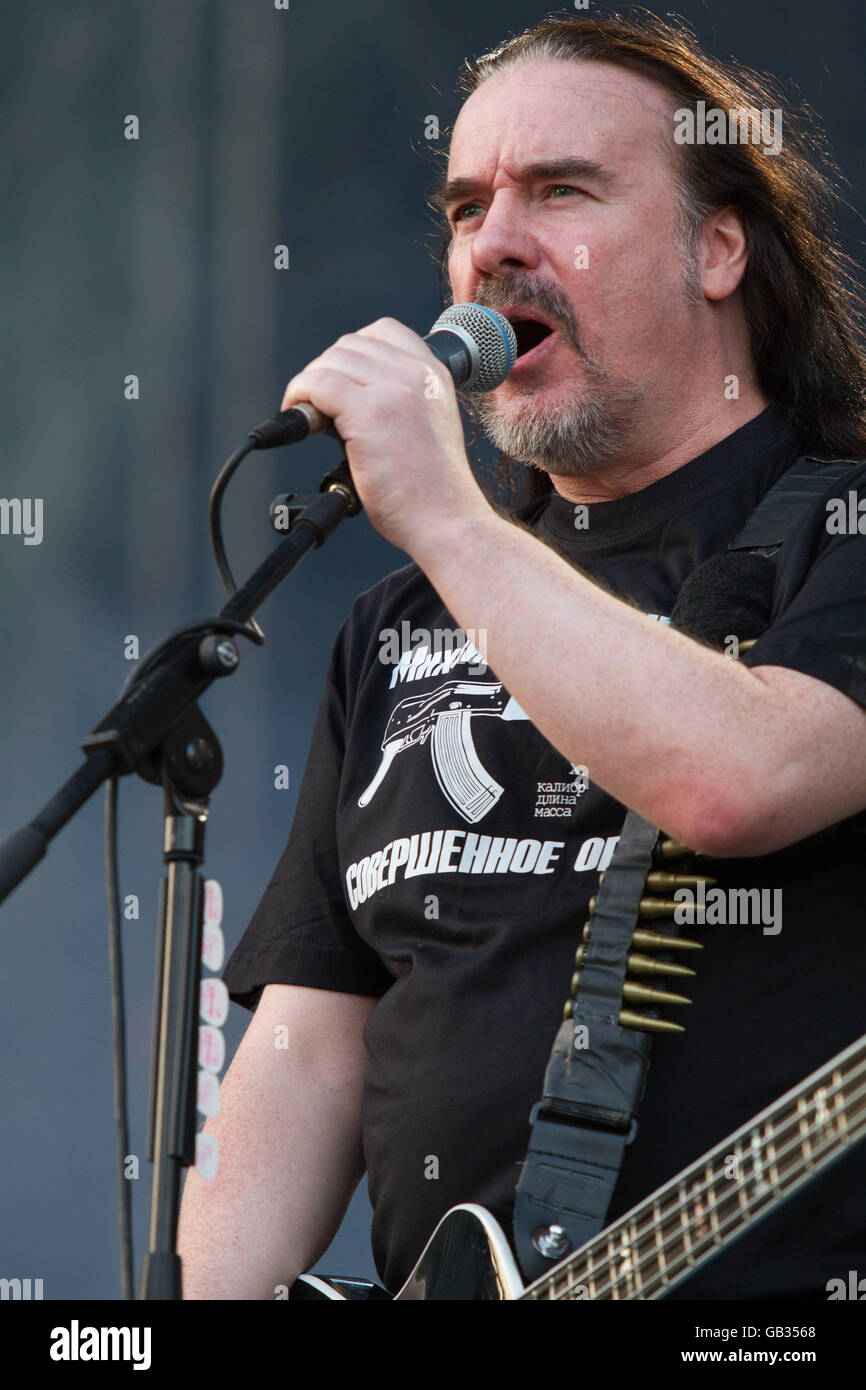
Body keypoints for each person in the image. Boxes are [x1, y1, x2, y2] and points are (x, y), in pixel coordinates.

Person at [176, 13, 866, 1300]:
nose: (492, 244)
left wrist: (443, 512)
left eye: (561, 191)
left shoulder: (843, 529)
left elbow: (741, 778)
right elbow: (313, 1054)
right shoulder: (395, 626)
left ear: (717, 247)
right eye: (466, 206)